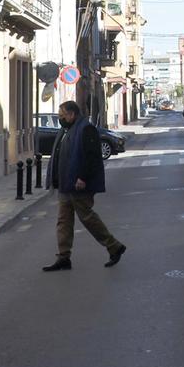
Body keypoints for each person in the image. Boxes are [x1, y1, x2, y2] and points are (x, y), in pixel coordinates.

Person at [42, 100, 125, 272]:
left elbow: (92, 157)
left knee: (88, 218)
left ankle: (113, 246)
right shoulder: (66, 129)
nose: (60, 119)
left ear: (72, 114)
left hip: (78, 184)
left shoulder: (86, 129)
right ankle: (63, 257)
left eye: (62, 116)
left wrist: (82, 177)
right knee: (63, 221)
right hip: (65, 183)